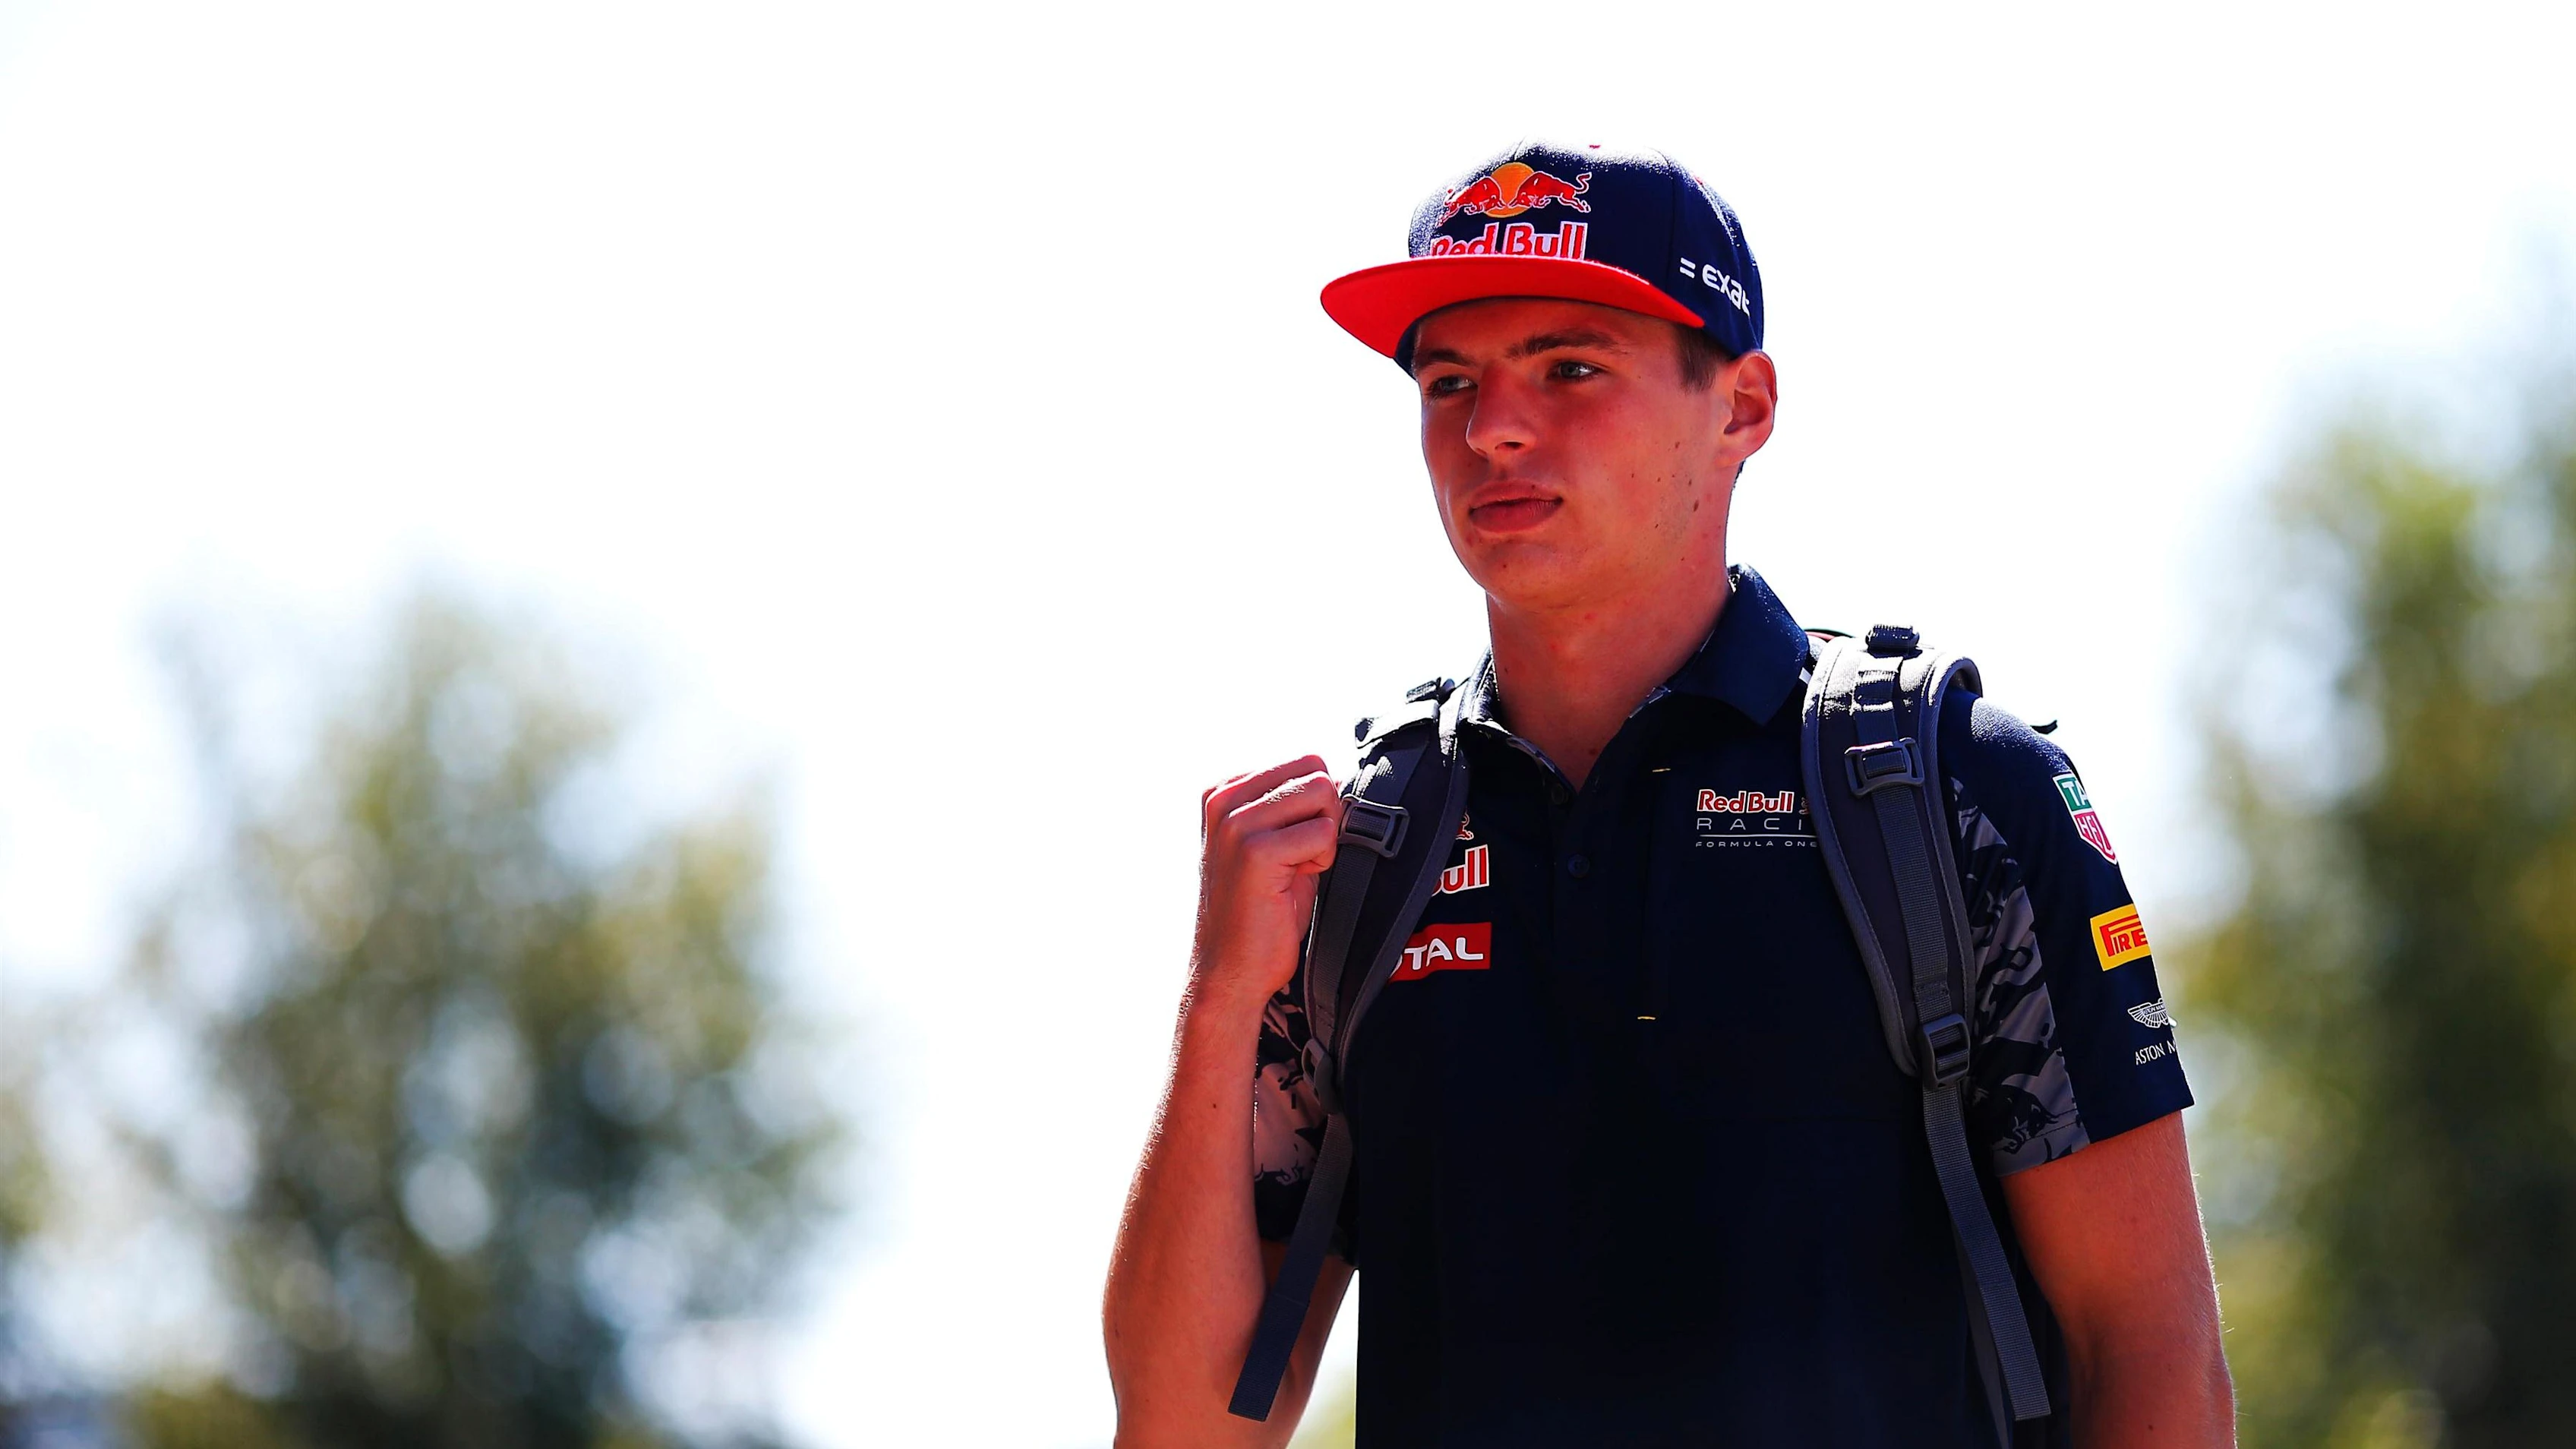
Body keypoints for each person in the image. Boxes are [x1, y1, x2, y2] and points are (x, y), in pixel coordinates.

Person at [1101, 140, 2234, 1448]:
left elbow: (2152, 1359)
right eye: (1449, 380)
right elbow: (1185, 1424)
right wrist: (1220, 997)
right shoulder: (1361, 858)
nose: (1493, 428)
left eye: (1570, 368)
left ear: (1743, 408)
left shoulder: (1948, 791)